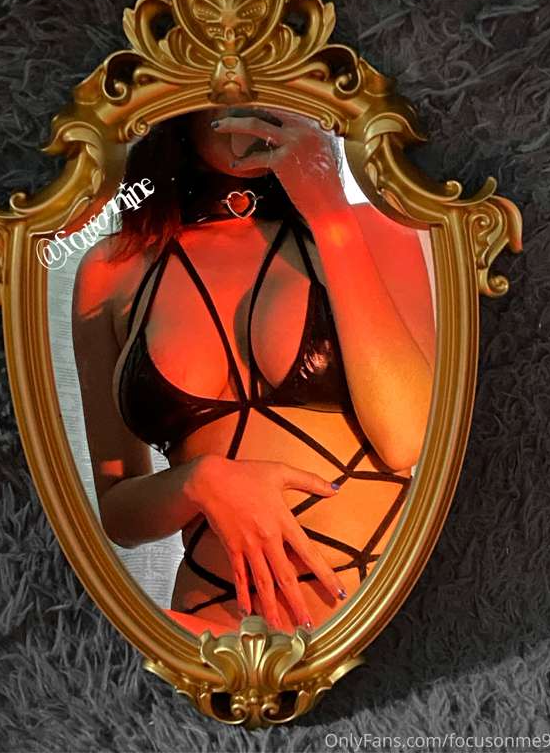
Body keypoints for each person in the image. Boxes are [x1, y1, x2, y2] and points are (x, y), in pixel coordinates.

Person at [71, 105, 436, 637]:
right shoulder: (112, 269)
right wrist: (200, 481)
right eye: (228, 88)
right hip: (208, 635)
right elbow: (120, 514)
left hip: (373, 621)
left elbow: (408, 437)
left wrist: (326, 206)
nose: (253, 102)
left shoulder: (375, 231)